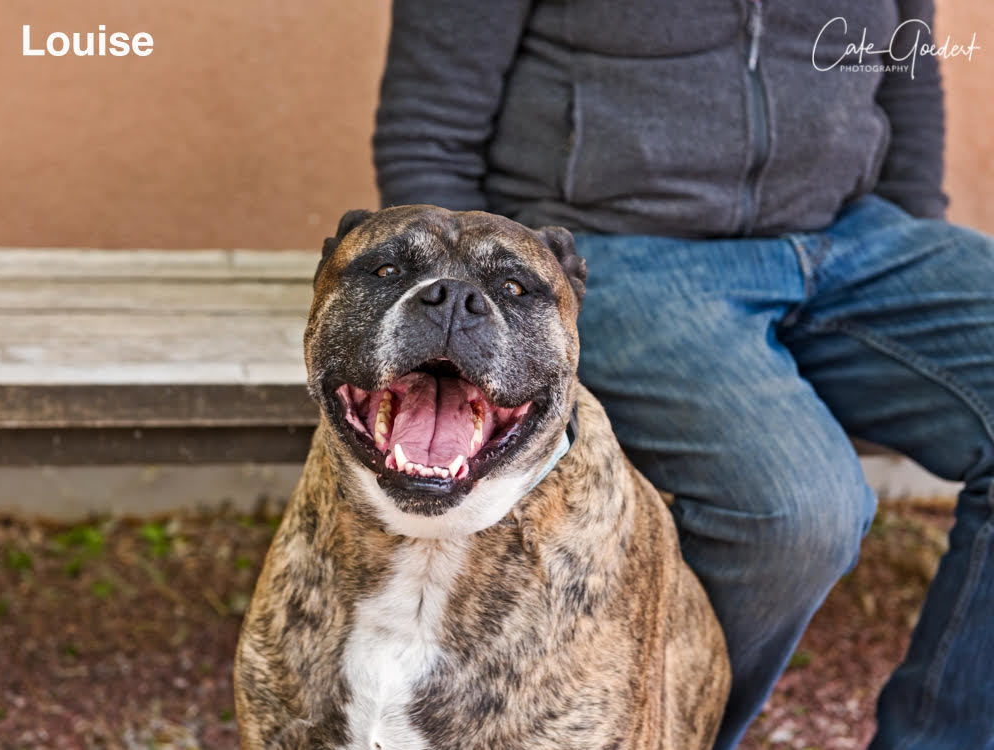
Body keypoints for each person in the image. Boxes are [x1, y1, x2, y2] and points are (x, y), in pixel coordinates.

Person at [371, 1, 994, 748]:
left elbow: (905, 73)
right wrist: (484, 305)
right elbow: (428, 130)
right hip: (613, 253)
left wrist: (911, 232)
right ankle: (665, 733)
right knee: (794, 514)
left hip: (851, 235)